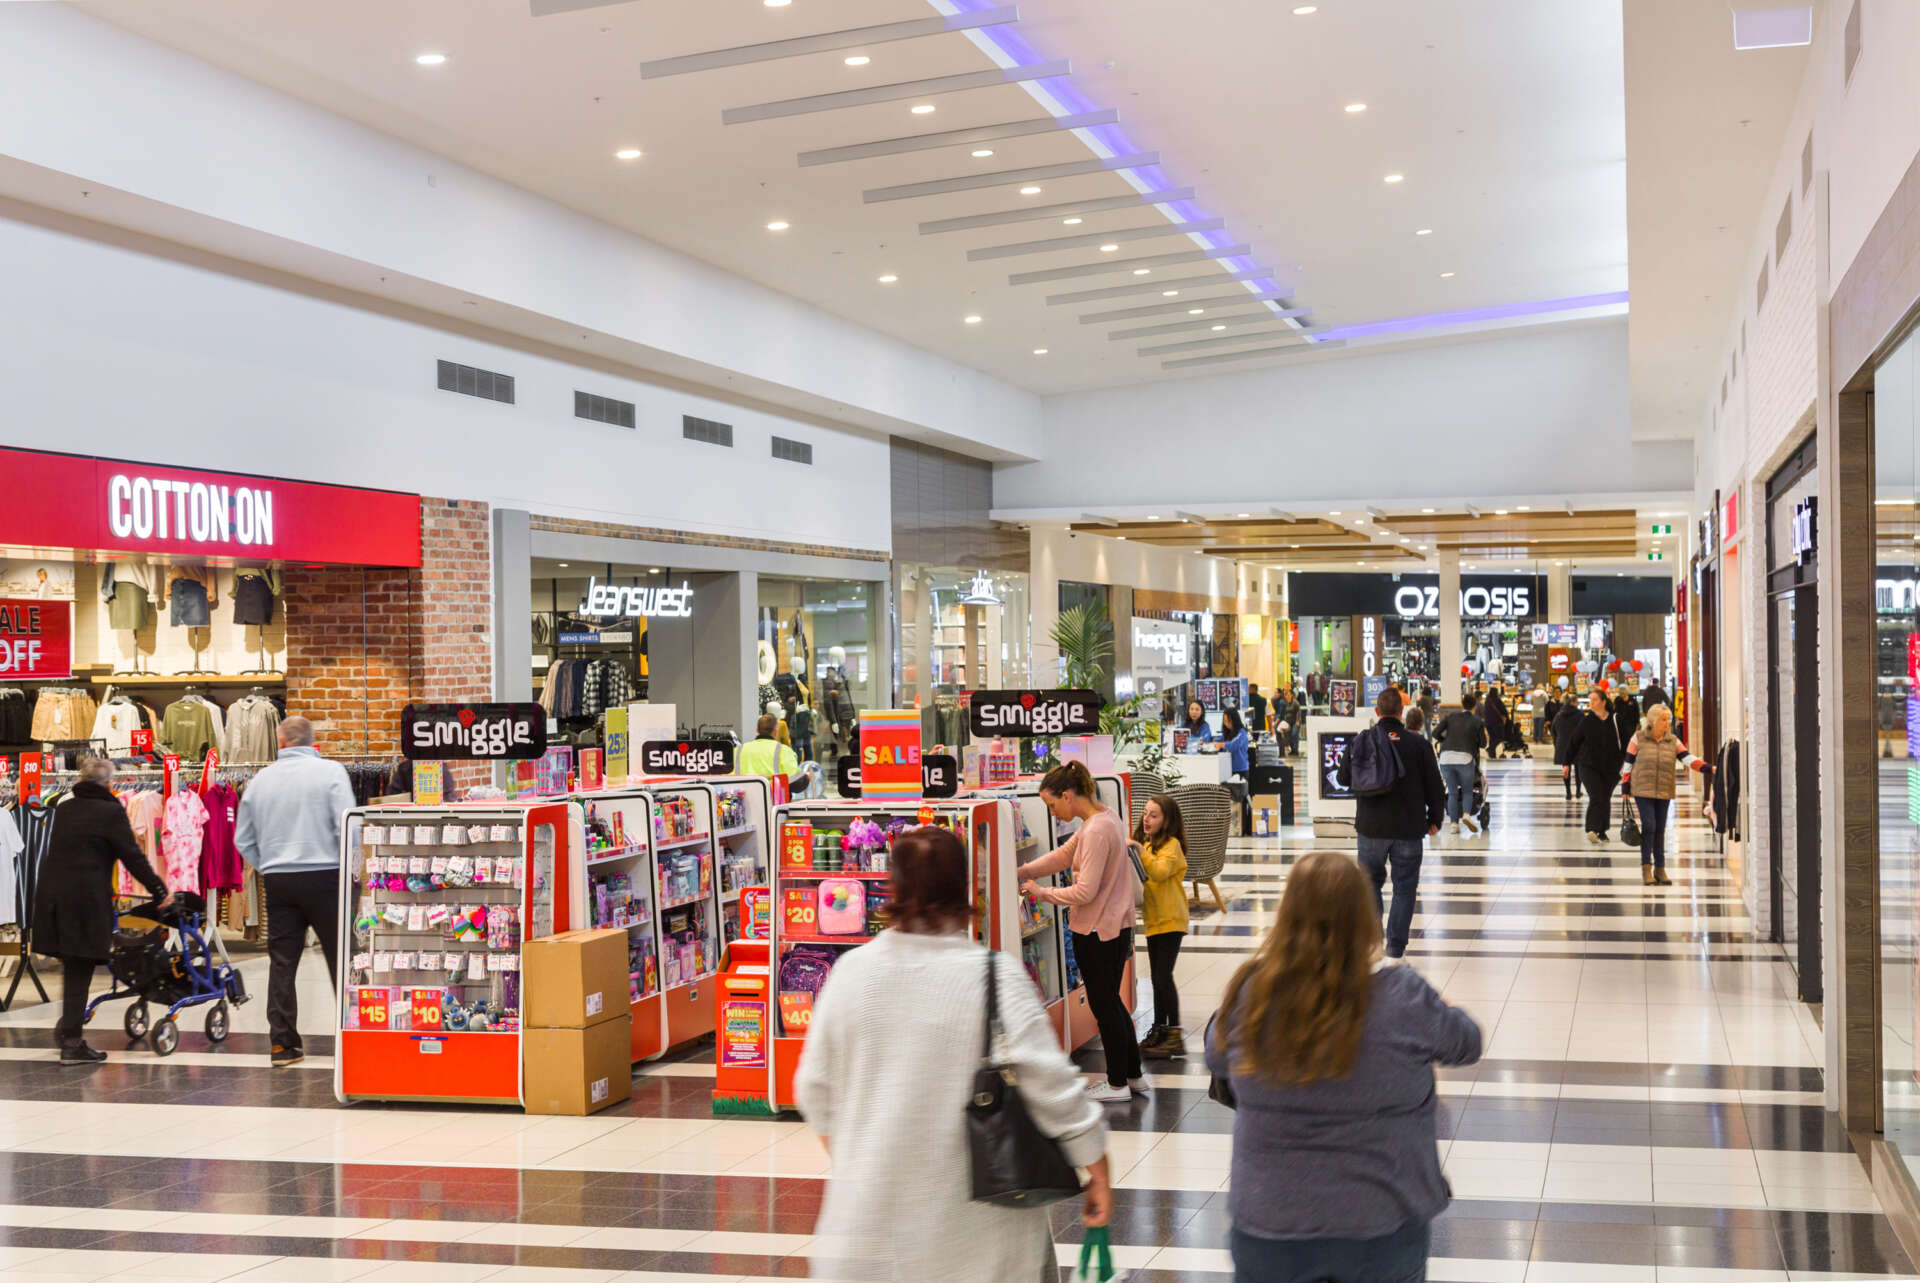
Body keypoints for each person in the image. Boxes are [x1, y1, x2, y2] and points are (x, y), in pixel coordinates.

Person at [795, 825, 1112, 1281]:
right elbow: (1052, 1088)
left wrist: (866, 1156)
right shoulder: (993, 976)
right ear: (966, 887)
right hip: (977, 1239)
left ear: (894, 887)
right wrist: (1095, 1166)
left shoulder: (850, 974)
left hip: (867, 1238)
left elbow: (813, 1089)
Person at [1205, 851, 1483, 1283]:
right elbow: (1466, 1042)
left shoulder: (1251, 993)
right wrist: (1436, 1007)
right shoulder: (1404, 996)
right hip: (1383, 1219)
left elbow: (1216, 1056)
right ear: (1364, 917)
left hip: (1270, 1220)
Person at [33, 756, 172, 1065]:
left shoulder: (65, 807)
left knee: (73, 968)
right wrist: (159, 890)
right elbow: (132, 856)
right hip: (84, 901)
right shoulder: (110, 810)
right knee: (79, 969)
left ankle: (70, 1030)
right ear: (109, 784)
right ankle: (72, 1042)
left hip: (54, 898)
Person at [1018, 760, 1143, 1102]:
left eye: (1053, 804)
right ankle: (1132, 1075)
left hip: (1097, 929)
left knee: (1105, 1006)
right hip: (1113, 927)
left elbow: (1085, 892)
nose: (1054, 812)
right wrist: (1024, 869)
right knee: (1112, 1003)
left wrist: (1042, 893)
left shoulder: (1096, 830)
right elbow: (1062, 856)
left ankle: (1117, 1083)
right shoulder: (1104, 819)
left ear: (1069, 795)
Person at [235, 715, 355, 1068]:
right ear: (311, 741)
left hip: (279, 880)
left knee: (283, 961)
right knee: (342, 957)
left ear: (282, 741)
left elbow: (243, 838)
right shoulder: (331, 773)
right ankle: (352, 1035)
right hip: (326, 876)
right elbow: (348, 825)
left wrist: (269, 863)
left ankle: (283, 1045)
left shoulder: (260, 780)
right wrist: (351, 873)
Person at [1336, 687, 1446, 960]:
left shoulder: (1362, 741)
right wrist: (1435, 819)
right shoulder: (1419, 744)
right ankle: (1395, 949)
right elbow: (1435, 785)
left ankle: (1373, 943)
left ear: (1377, 711)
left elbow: (1342, 778)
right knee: (1405, 887)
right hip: (1409, 829)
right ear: (1402, 712)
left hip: (1370, 828)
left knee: (1370, 884)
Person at [1621, 703, 1707, 886]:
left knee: (1660, 828)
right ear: (1652, 720)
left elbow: (1687, 758)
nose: (1667, 723)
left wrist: (1707, 768)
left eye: (1668, 719)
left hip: (1664, 789)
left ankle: (1660, 869)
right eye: (1663, 719)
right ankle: (1646, 868)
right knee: (1649, 826)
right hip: (1643, 789)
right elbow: (1628, 763)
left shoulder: (1673, 741)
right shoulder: (1638, 738)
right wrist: (1625, 787)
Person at [1135, 794, 1189, 1058]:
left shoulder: (1172, 845)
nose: (1147, 819)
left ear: (1167, 821)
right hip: (1154, 920)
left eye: (1154, 815)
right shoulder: (1149, 844)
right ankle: (1158, 1029)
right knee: (1157, 980)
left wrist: (1139, 850)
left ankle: (1174, 1034)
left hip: (1171, 919)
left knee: (1162, 977)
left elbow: (1158, 872)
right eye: (1146, 813)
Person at [1562, 689, 1626, 844]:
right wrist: (1566, 763)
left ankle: (1602, 831)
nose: (1591, 703)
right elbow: (1573, 742)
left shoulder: (1616, 720)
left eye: (1595, 700)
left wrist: (1628, 763)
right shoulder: (1586, 720)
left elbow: (1626, 742)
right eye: (1590, 700)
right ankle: (1591, 829)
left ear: (1604, 702)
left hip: (1611, 767)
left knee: (1605, 798)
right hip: (1588, 765)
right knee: (1596, 796)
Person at [1435, 692, 1487, 835]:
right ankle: (1466, 815)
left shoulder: (1451, 717)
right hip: (1465, 758)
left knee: (1452, 792)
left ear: (1462, 705)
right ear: (1475, 706)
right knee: (1467, 790)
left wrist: (1444, 741)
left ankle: (1453, 825)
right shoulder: (1477, 721)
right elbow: (1483, 744)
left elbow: (1435, 733)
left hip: (1445, 758)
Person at [739, 713, 807, 791]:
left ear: (757, 730)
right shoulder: (783, 750)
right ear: (776, 731)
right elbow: (796, 783)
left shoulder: (739, 749)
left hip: (742, 800)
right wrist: (806, 778)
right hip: (774, 801)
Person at [1551, 692, 1585, 801]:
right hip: (1577, 745)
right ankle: (1578, 791)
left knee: (1566, 769)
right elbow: (1585, 730)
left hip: (1563, 745)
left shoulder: (1559, 714)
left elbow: (1553, 730)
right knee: (1578, 769)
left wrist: (1557, 742)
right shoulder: (1580, 715)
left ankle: (1568, 792)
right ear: (1573, 702)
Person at [1482, 687, 1510, 759]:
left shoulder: (1487, 700)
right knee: (1500, 737)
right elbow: (1503, 709)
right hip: (1496, 722)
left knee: (1492, 738)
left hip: (1488, 723)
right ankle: (1491, 749)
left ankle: (1492, 754)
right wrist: (1507, 717)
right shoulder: (1497, 700)